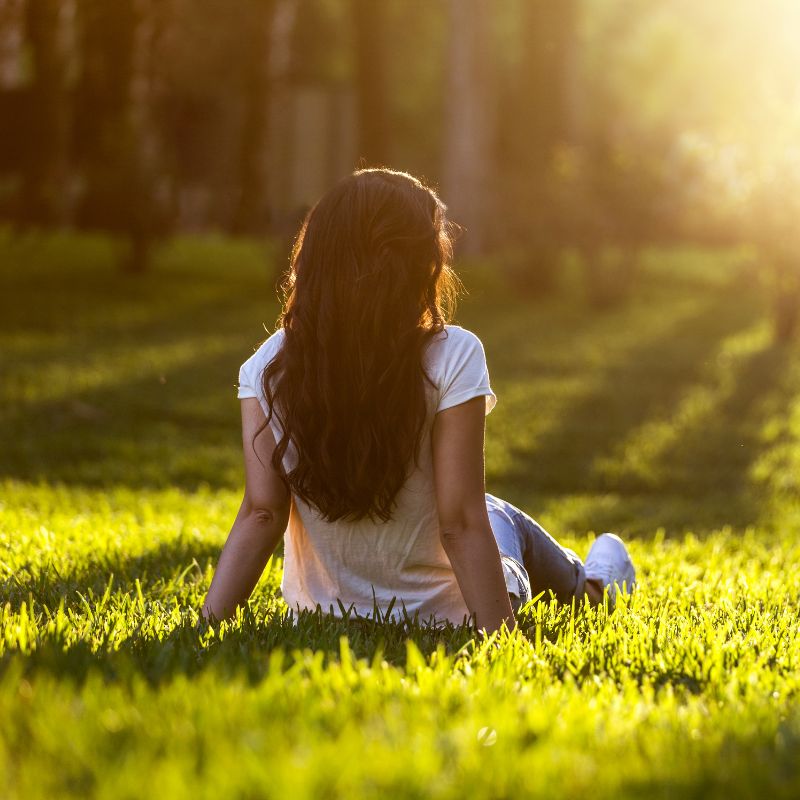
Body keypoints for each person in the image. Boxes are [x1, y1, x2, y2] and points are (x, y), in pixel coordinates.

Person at [201, 168, 636, 634]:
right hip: (450, 614)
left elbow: (262, 513)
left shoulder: (267, 367)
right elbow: (461, 520)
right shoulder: (455, 353)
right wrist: (502, 639)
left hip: (325, 611)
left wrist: (205, 626)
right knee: (492, 511)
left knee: (487, 510)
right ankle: (597, 586)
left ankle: (591, 576)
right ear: (414, 263)